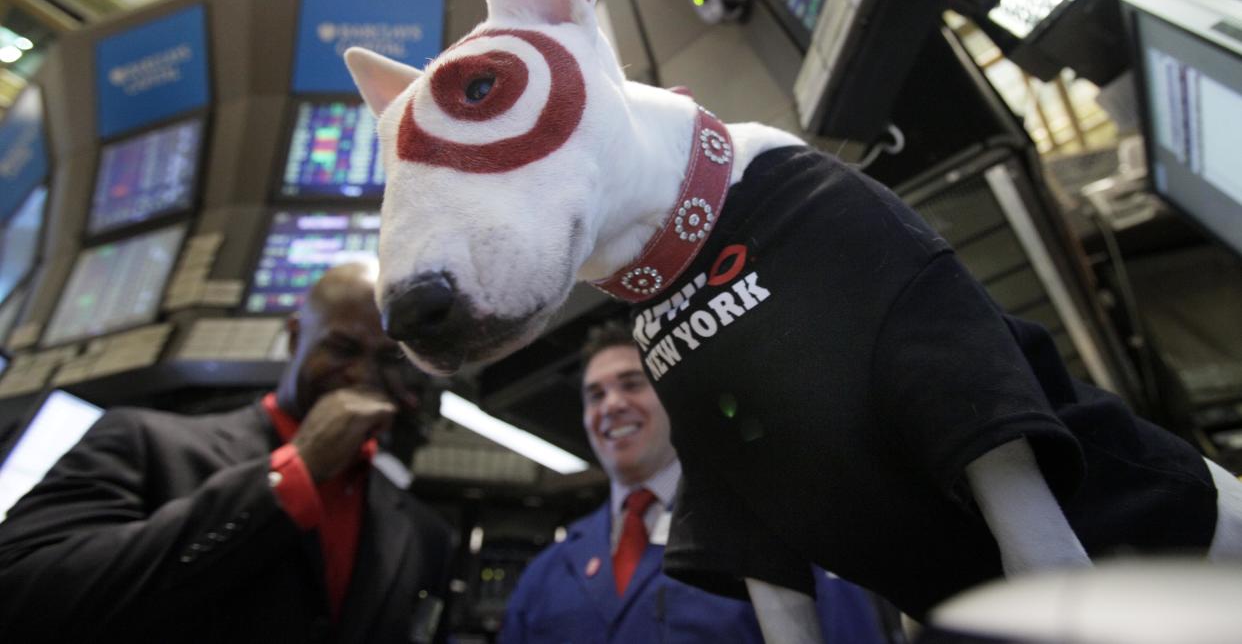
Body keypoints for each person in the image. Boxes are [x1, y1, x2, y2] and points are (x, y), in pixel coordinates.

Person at [0, 261, 453, 644]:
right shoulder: (144, 443)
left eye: (389, 357)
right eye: (342, 347)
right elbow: (20, 596)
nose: (360, 374)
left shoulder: (421, 532)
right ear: (295, 338)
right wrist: (298, 470)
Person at [499, 321, 892, 643]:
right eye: (595, 395)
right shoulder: (547, 570)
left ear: (674, 396)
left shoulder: (771, 534)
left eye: (632, 383)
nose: (612, 405)